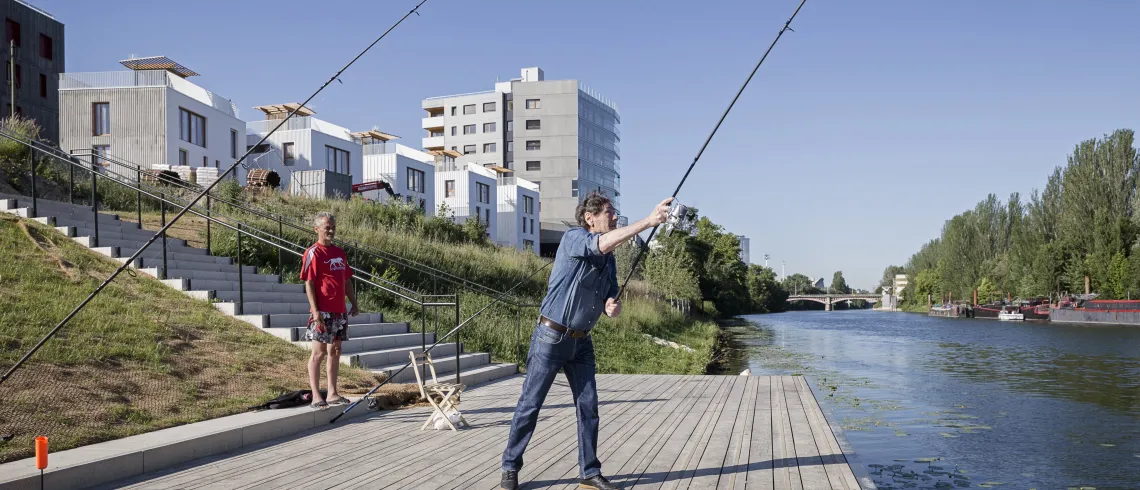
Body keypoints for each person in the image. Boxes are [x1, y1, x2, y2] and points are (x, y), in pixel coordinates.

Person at [500, 192, 673, 490]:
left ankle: (589, 471)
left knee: (589, 406)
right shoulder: (574, 238)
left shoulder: (610, 259)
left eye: (614, 212)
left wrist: (610, 305)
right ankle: (510, 467)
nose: (615, 216)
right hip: (551, 338)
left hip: (582, 343)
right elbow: (600, 243)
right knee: (530, 405)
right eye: (609, 212)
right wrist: (650, 220)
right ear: (590, 218)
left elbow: (609, 291)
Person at [300, 211, 359, 410]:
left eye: (333, 227)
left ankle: (332, 393)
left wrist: (354, 302)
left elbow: (346, 279)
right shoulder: (312, 253)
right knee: (318, 353)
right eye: (327, 227)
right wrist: (315, 311)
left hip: (339, 310)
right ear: (317, 229)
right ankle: (317, 396)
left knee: (335, 350)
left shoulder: (340, 253)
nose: (331, 230)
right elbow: (309, 283)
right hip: (322, 311)